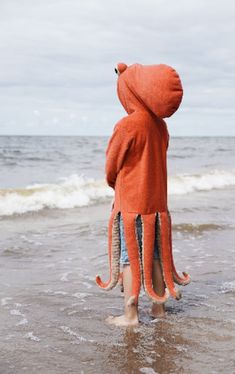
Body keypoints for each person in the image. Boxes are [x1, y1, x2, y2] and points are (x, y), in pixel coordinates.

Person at [96, 62, 190, 326]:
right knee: (157, 255)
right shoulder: (160, 127)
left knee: (129, 258)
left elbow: (111, 165)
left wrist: (114, 183)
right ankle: (159, 309)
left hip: (132, 204)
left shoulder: (128, 125)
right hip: (157, 204)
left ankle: (130, 315)